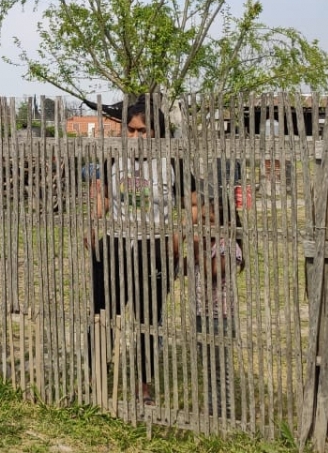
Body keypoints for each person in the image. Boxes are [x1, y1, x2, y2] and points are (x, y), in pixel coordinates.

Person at [87, 97, 185, 407]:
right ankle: (98, 374)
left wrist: (178, 235)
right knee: (102, 315)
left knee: (147, 318)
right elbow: (102, 201)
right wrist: (92, 217)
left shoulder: (171, 163)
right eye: (130, 131)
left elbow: (192, 202)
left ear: (156, 132)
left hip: (152, 248)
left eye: (142, 131)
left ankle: (144, 383)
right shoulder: (114, 160)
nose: (135, 138)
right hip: (115, 243)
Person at [188, 189, 245, 419]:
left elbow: (211, 271)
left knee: (222, 370)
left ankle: (227, 413)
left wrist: (197, 247)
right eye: (200, 220)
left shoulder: (229, 247)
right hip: (202, 313)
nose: (202, 225)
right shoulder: (207, 244)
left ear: (226, 224)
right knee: (210, 368)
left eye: (208, 221)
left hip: (220, 317)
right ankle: (212, 412)